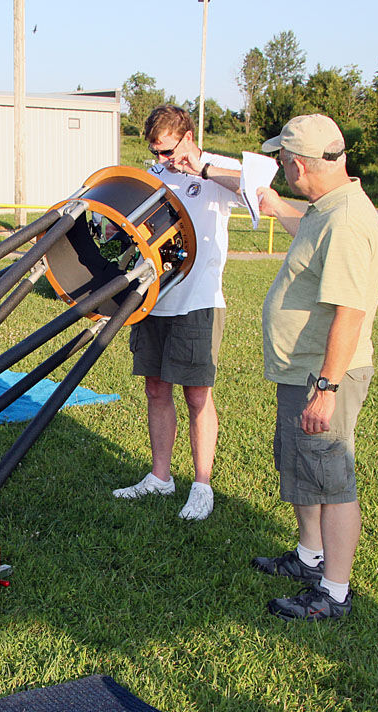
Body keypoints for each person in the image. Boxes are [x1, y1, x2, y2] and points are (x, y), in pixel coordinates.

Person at [252, 114, 378, 620]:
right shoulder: (325, 208)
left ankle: (334, 591)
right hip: (302, 369)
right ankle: (309, 558)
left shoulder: (346, 220)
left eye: (284, 162)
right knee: (303, 467)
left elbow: (350, 313)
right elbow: (309, 241)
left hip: (322, 374)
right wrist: (277, 207)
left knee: (332, 480)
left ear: (299, 165)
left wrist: (326, 389)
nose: (283, 170)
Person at [111, 104, 243, 520]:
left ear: (187, 137)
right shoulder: (155, 174)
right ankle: (160, 477)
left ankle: (202, 486)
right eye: (155, 152)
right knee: (155, 388)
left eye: (168, 151)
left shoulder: (215, 170)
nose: (162, 159)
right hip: (155, 297)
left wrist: (202, 169)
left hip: (198, 301)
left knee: (197, 394)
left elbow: (255, 191)